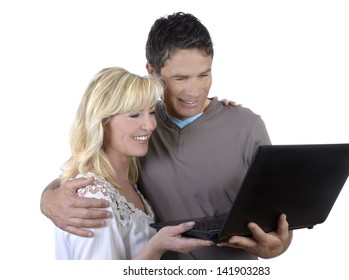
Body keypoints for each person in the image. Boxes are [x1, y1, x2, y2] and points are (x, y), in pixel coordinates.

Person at [41, 12, 293, 260]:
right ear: (152, 71)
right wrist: (47, 200)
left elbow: (279, 217)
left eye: (204, 74)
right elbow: (92, 168)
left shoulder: (246, 125)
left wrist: (278, 247)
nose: (194, 91)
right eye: (180, 78)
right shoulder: (140, 128)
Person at [54, 67, 212, 259]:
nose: (149, 125)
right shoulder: (93, 197)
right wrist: (156, 247)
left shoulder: (128, 180)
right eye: (134, 115)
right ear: (102, 122)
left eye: (152, 112)